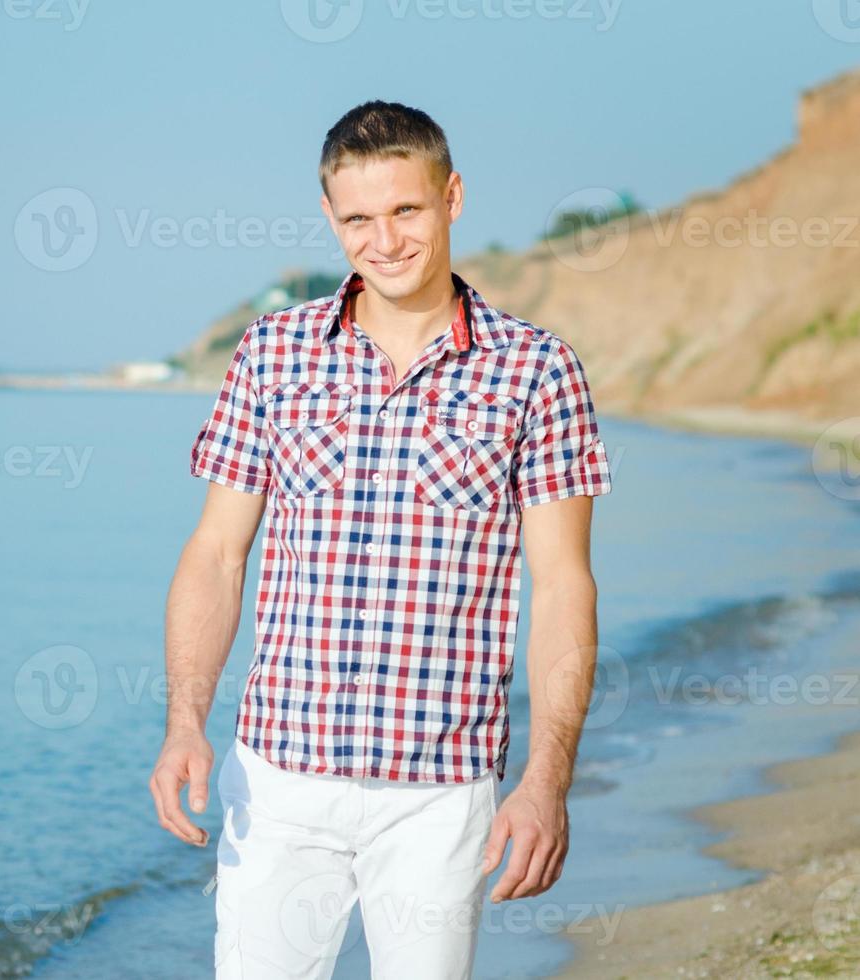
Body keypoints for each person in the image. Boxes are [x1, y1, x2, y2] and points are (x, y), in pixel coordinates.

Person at [148, 100, 614, 979]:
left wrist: (546, 782)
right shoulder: (272, 354)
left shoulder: (536, 371)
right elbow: (216, 552)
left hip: (440, 794)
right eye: (358, 218)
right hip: (279, 782)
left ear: (452, 198)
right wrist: (184, 723)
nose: (385, 239)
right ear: (331, 218)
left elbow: (563, 587)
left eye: (406, 210)